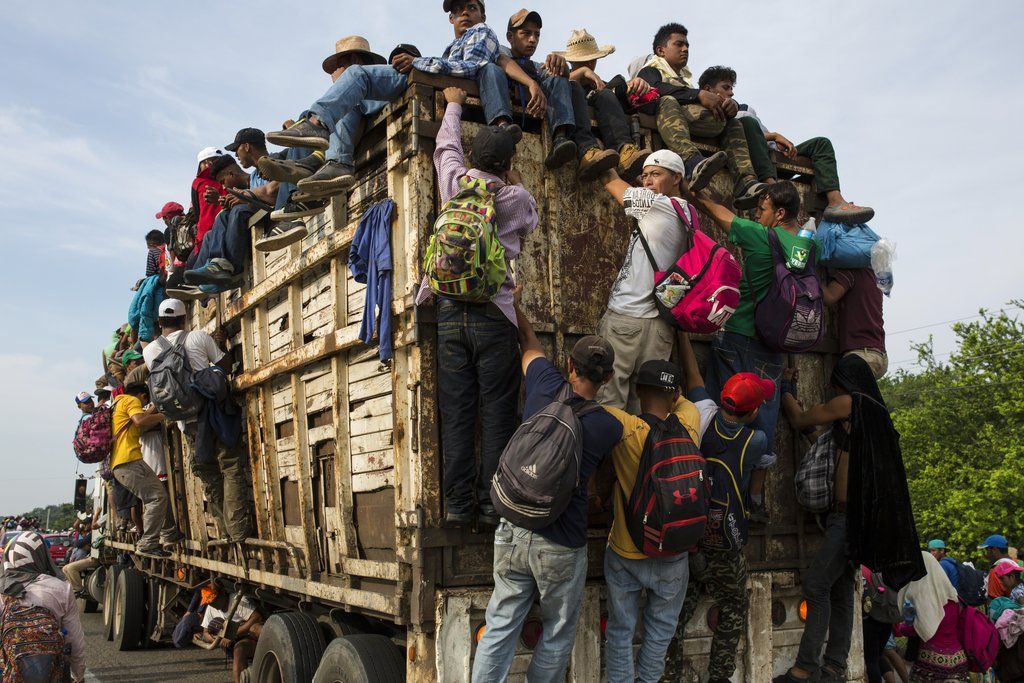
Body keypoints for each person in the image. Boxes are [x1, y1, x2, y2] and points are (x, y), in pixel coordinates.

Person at [471, 289, 621, 682]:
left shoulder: (542, 384)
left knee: (501, 624)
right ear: (608, 379)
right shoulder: (609, 426)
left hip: (513, 527)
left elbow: (530, 344)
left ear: (569, 365)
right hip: (561, 541)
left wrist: (517, 305)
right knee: (556, 633)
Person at [414, 86, 538, 525]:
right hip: (494, 315)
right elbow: (529, 224)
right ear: (506, 163)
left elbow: (445, 146)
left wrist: (452, 103)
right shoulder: (513, 198)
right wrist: (513, 179)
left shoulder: (453, 183)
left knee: (458, 412)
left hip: (448, 312)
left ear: (474, 156)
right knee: (498, 411)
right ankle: (491, 506)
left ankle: (458, 505)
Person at [774, 355, 924, 682]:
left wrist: (785, 387)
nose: (831, 389)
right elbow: (828, 447)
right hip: (860, 519)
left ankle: (804, 668)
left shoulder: (850, 403)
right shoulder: (874, 416)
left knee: (816, 584)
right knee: (841, 591)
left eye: (835, 382)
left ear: (845, 381)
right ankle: (834, 667)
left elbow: (800, 419)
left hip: (848, 519)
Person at [267, 1, 546, 164]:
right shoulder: (453, 45)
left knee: (357, 77)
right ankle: (327, 152)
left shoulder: (483, 32)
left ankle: (318, 129)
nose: (464, 13)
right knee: (355, 88)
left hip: (426, 81)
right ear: (450, 18)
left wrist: (417, 62)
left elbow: (470, 67)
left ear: (482, 15)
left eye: (471, 8)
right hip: (425, 78)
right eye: (458, 9)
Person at [692, 180, 813, 515]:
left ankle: (710, 488)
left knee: (718, 412)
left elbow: (722, 216)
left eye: (762, 209)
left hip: (739, 337)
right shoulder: (804, 248)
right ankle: (754, 500)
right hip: (774, 347)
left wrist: (695, 195)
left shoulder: (762, 236)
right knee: (765, 421)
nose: (758, 215)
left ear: (780, 213)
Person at [666, 333, 776, 683]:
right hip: (724, 543)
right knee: (733, 606)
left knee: (678, 611)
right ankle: (718, 675)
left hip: (691, 535)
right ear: (754, 409)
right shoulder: (755, 441)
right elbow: (760, 430)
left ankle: (668, 673)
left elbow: (695, 377)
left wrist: (683, 336)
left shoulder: (702, 416)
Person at [601, 357, 700, 683]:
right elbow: (685, 398)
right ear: (673, 396)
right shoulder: (690, 424)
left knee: (620, 631)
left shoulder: (625, 429)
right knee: (659, 633)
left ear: (639, 390)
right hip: (673, 553)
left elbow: (587, 402)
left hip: (627, 552)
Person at [697, 65, 874, 224]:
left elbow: (759, 132)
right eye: (725, 87)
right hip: (754, 158)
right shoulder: (707, 109)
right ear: (708, 89)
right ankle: (773, 192)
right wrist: (773, 136)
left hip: (769, 149)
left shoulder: (745, 108)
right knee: (749, 126)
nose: (731, 92)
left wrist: (775, 139)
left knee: (821, 144)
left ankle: (836, 202)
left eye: (732, 88)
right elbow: (741, 133)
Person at [142, 299, 252, 543]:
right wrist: (218, 344)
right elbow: (224, 364)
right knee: (231, 467)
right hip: (214, 414)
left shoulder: (148, 352)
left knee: (209, 475)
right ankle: (238, 532)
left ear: (160, 323)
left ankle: (224, 531)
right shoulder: (198, 337)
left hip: (186, 424)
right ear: (184, 319)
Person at [594, 150, 693, 413]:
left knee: (609, 403)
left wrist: (598, 153)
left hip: (627, 318)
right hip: (661, 328)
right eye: (645, 175)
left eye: (656, 174)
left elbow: (611, 181)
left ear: (677, 178)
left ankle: (613, 456)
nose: (647, 181)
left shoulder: (655, 204)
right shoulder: (690, 214)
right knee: (647, 409)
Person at [258, 37, 409, 195]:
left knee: (342, 104)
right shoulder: (354, 98)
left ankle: (320, 148)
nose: (332, 74)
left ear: (354, 60)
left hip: (362, 107)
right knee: (341, 105)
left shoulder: (365, 80)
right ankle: (314, 163)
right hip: (349, 120)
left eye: (336, 67)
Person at [636, 24, 766, 206]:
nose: (685, 49)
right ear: (661, 50)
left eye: (687, 45)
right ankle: (692, 163)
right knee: (667, 100)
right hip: (667, 122)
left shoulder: (684, 79)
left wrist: (729, 106)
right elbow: (654, 90)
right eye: (679, 44)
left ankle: (746, 183)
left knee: (734, 123)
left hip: (694, 123)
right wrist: (697, 94)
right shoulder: (650, 71)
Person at [502, 9, 615, 174]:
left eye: (537, 35)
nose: (532, 39)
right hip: (515, 123)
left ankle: (566, 142)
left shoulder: (536, 66)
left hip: (538, 116)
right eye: (526, 33)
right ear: (510, 37)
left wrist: (561, 67)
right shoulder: (500, 52)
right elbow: (501, 62)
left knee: (572, 86)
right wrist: (532, 84)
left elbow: (555, 76)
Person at [560, 28, 652, 181]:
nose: (589, 63)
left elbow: (625, 98)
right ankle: (589, 153)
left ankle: (625, 151)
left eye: (591, 60)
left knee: (606, 94)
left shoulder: (601, 86)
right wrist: (582, 72)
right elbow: (556, 81)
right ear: (571, 62)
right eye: (583, 62)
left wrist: (635, 85)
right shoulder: (561, 78)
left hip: (606, 144)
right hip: (576, 139)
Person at [1, 531, 86, 682]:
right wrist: (78, 676)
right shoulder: (62, 589)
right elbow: (74, 641)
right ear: (42, 555)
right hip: (54, 671)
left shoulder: (3, 590)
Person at [110, 380, 182, 556]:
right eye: (145, 400)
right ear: (142, 395)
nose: (143, 405)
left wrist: (156, 408)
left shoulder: (117, 403)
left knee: (157, 495)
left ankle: (169, 534)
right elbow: (140, 420)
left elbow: (139, 420)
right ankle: (148, 543)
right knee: (156, 497)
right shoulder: (131, 400)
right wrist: (166, 416)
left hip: (123, 463)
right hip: (129, 461)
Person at [224, 127, 311, 251]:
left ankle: (289, 220)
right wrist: (246, 200)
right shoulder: (253, 177)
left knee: (239, 211)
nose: (236, 155)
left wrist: (250, 195)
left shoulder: (278, 159)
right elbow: (260, 203)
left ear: (247, 146)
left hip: (284, 214)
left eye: (236, 149)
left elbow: (274, 193)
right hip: (275, 223)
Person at [892, 552, 969, 682]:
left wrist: (905, 626)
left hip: (932, 662)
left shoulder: (924, 600)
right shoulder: (953, 596)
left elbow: (919, 630)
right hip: (959, 660)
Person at [184, 156, 255, 290]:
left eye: (223, 181)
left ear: (231, 174)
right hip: (241, 224)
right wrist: (222, 201)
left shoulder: (255, 179)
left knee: (237, 211)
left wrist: (243, 201)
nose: (223, 186)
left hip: (259, 217)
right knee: (215, 226)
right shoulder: (235, 191)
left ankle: (231, 271)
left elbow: (266, 197)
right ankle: (214, 268)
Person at [822, 266, 888, 379]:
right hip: (878, 356)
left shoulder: (851, 272)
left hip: (861, 356)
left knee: (846, 396)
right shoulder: (875, 276)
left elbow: (829, 297)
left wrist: (811, 275)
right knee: (858, 396)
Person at [200, 585, 264, 683]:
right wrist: (218, 639)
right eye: (209, 602)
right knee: (237, 649)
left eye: (214, 600)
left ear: (223, 593)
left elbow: (257, 617)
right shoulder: (211, 607)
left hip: (246, 635)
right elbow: (205, 633)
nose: (213, 604)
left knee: (240, 650)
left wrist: (232, 635)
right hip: (229, 641)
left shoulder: (238, 601)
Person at [980, 534, 1014, 598]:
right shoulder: (1018, 565)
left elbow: (995, 603)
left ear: (994, 550)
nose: (987, 554)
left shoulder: (996, 570)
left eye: (987, 550)